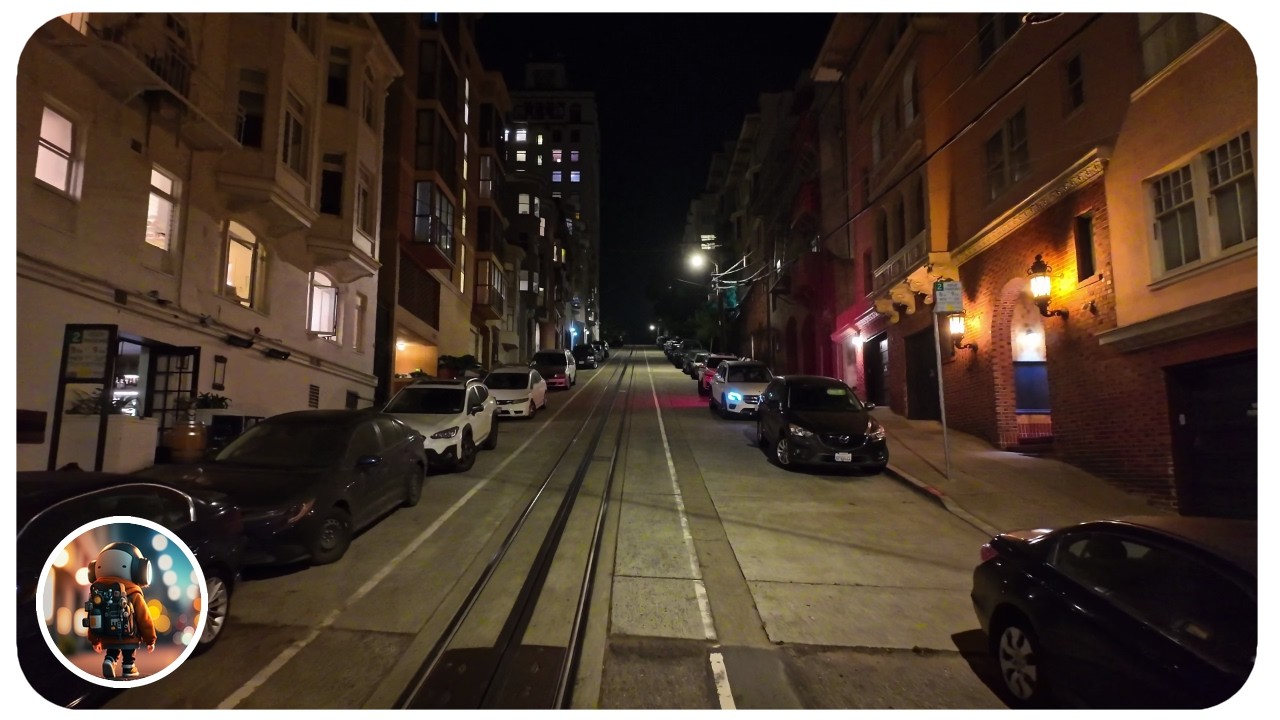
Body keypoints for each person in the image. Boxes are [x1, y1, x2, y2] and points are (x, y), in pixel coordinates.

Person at [85, 542, 157, 679]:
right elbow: (144, 618)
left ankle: (109, 660)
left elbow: (92, 617)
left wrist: (94, 640)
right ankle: (128, 668)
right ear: (139, 569)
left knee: (112, 651)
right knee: (129, 654)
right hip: (129, 637)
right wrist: (150, 639)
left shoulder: (97, 594)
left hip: (106, 637)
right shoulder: (134, 593)